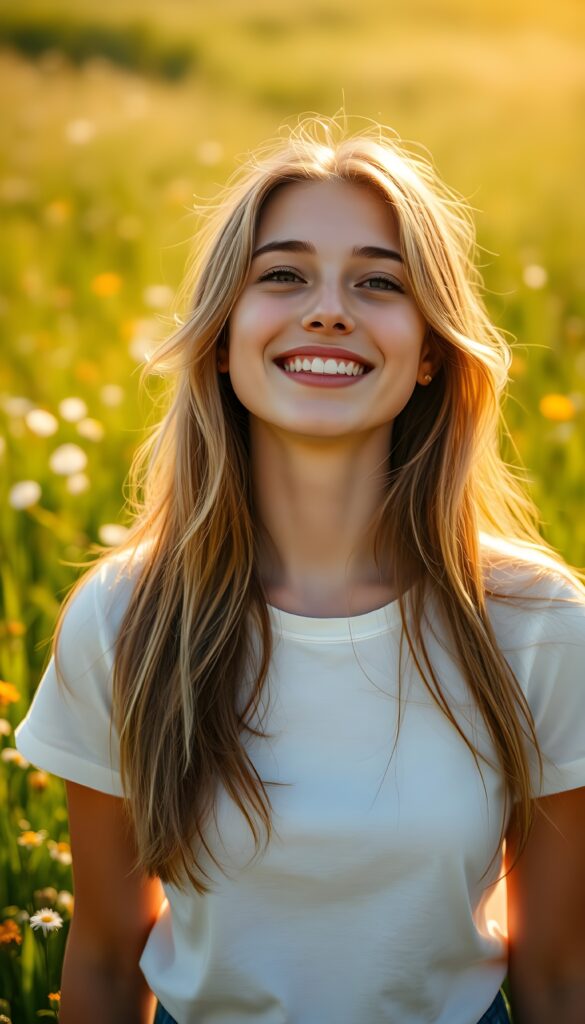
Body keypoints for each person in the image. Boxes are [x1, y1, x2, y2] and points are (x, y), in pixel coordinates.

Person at [15, 117, 585, 1024]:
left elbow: (557, 977)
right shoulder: (125, 617)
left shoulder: (536, 623)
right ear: (222, 336)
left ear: (430, 350)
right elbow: (107, 962)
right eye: (282, 275)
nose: (328, 311)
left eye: (379, 282)